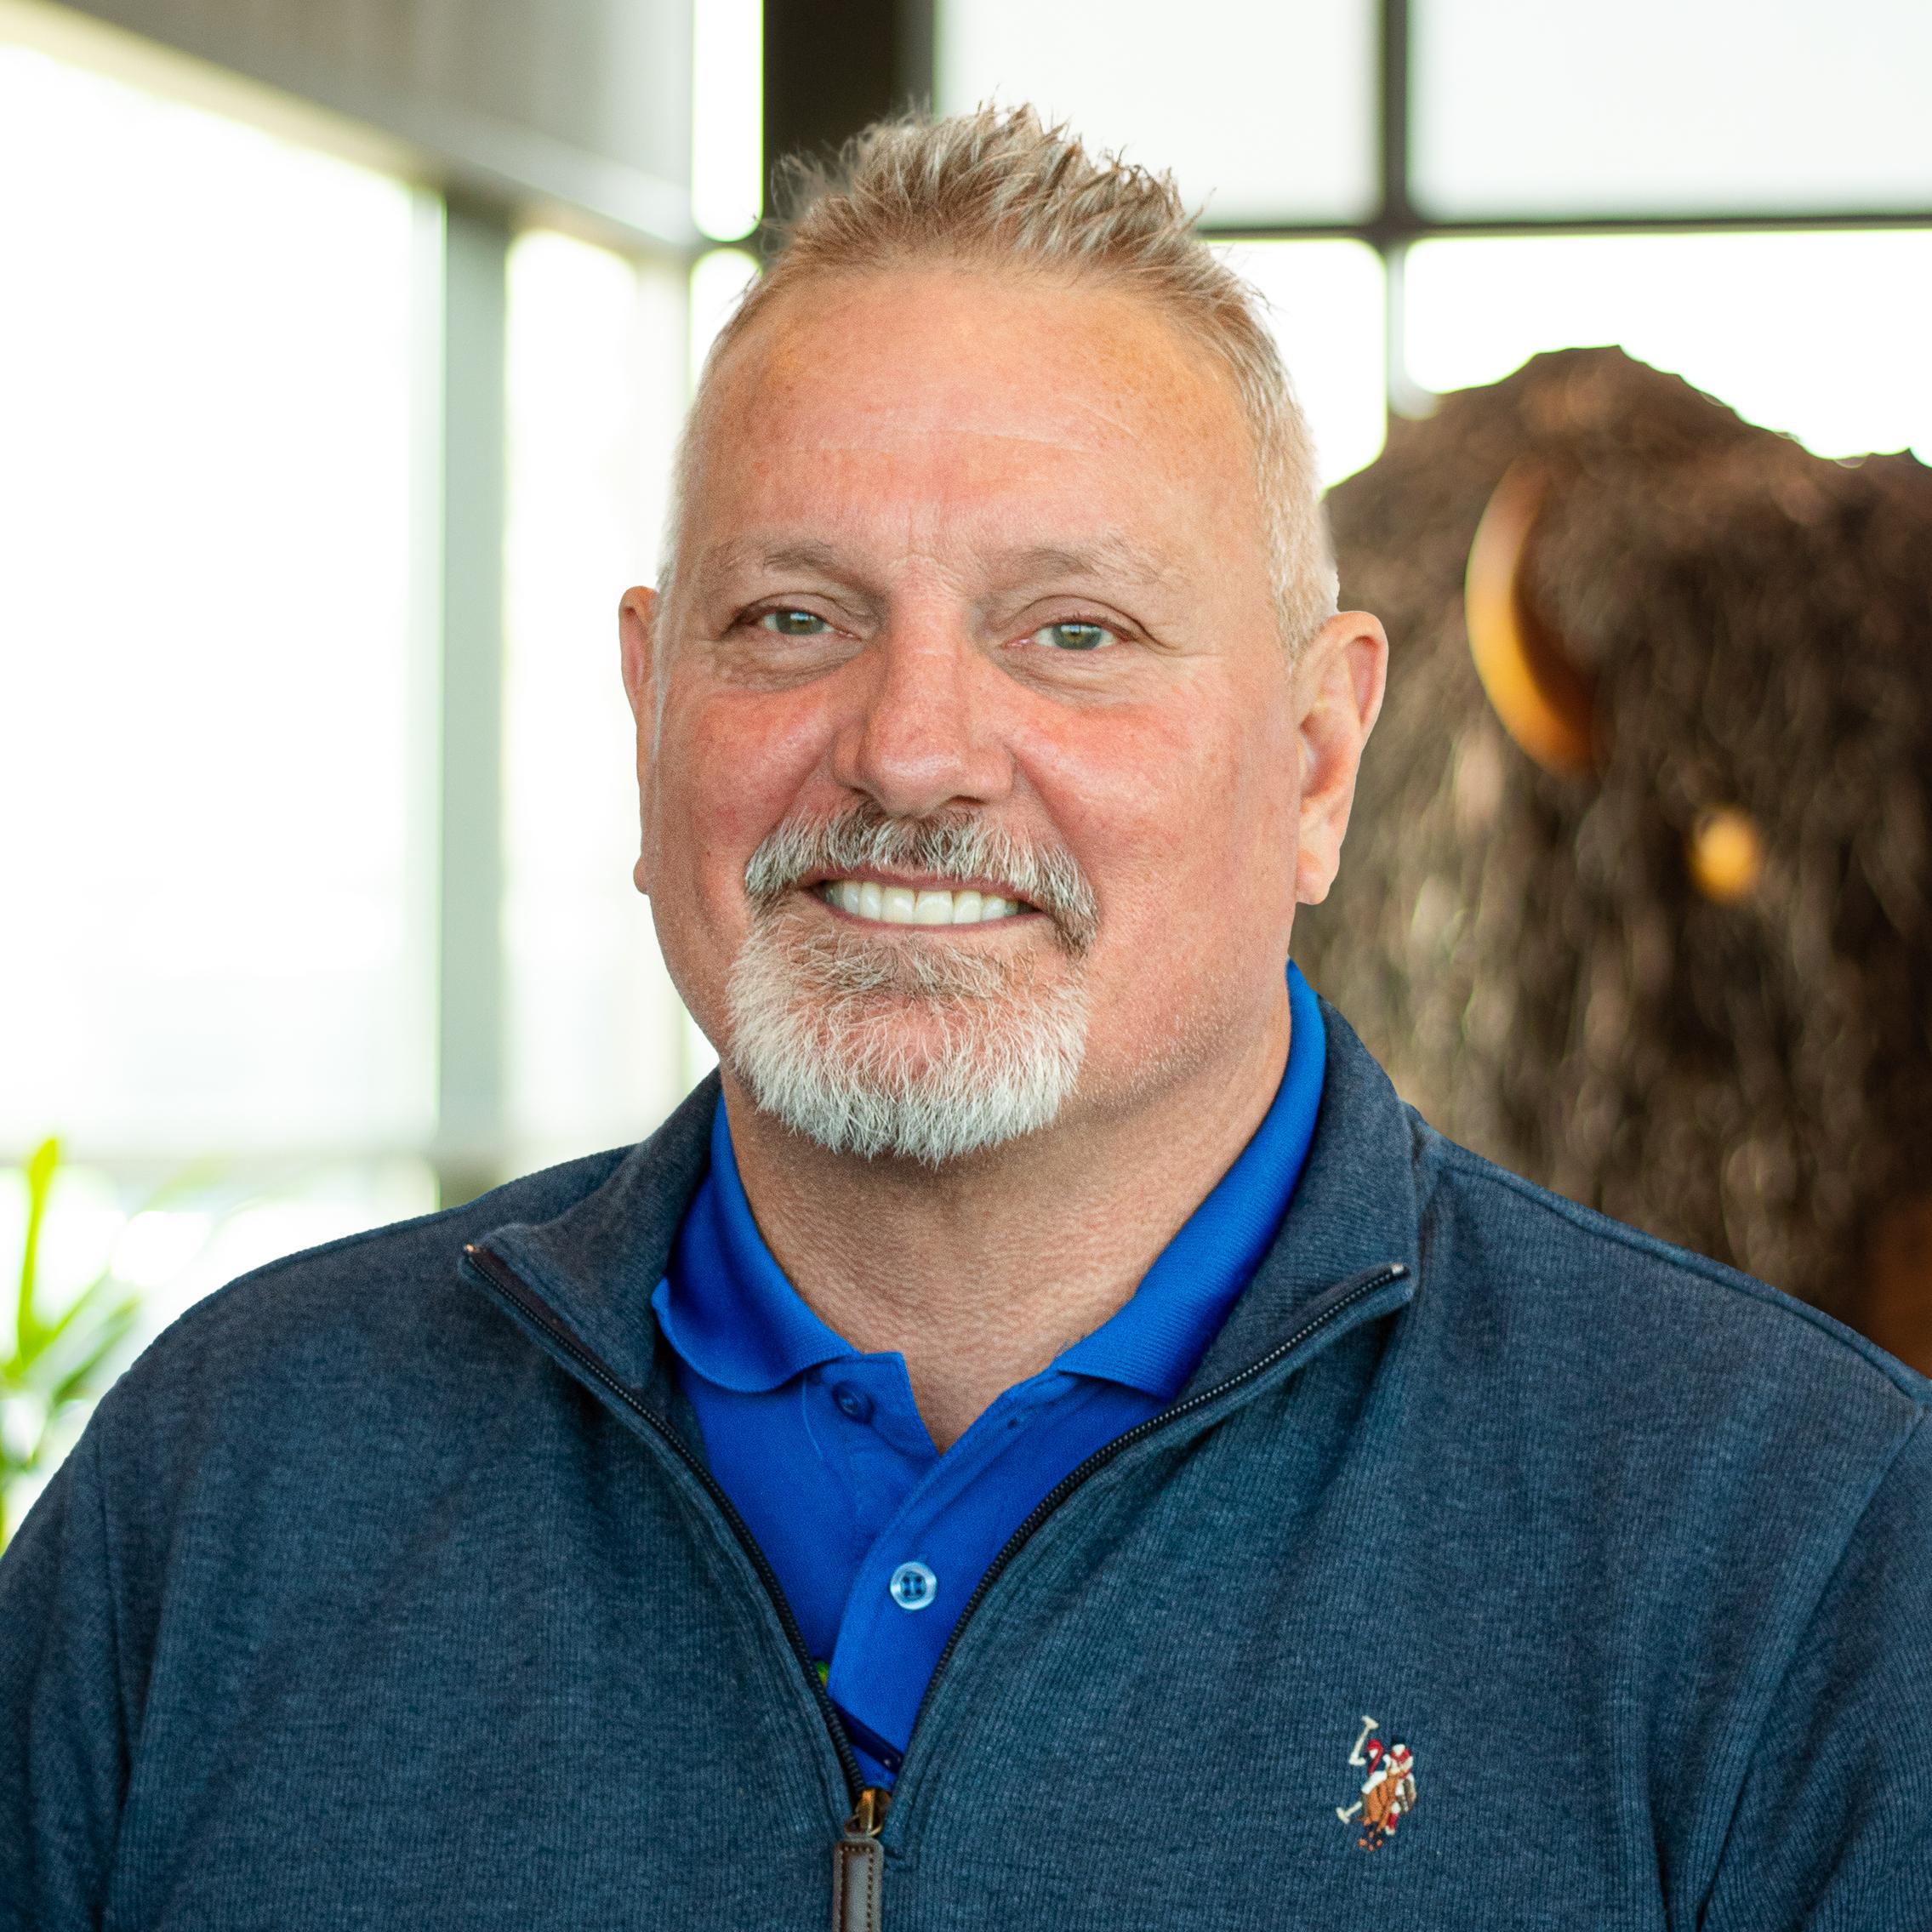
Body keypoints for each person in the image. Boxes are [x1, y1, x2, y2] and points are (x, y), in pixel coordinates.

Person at [3, 105, 1928, 1929]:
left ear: (1320, 757)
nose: (912, 748)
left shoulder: (1790, 1544)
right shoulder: (229, 1482)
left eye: (1071, 629)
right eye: (789, 618)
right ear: (646, 704)